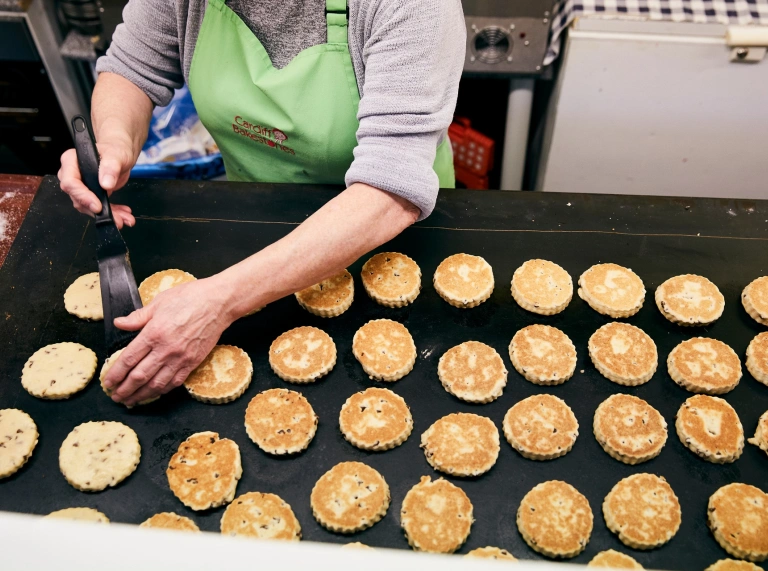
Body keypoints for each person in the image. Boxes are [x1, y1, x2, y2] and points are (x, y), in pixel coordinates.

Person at [57, 0, 465, 407]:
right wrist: (114, 142)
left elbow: (391, 186)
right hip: (253, 231)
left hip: (387, 234)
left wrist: (218, 303)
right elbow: (132, 68)